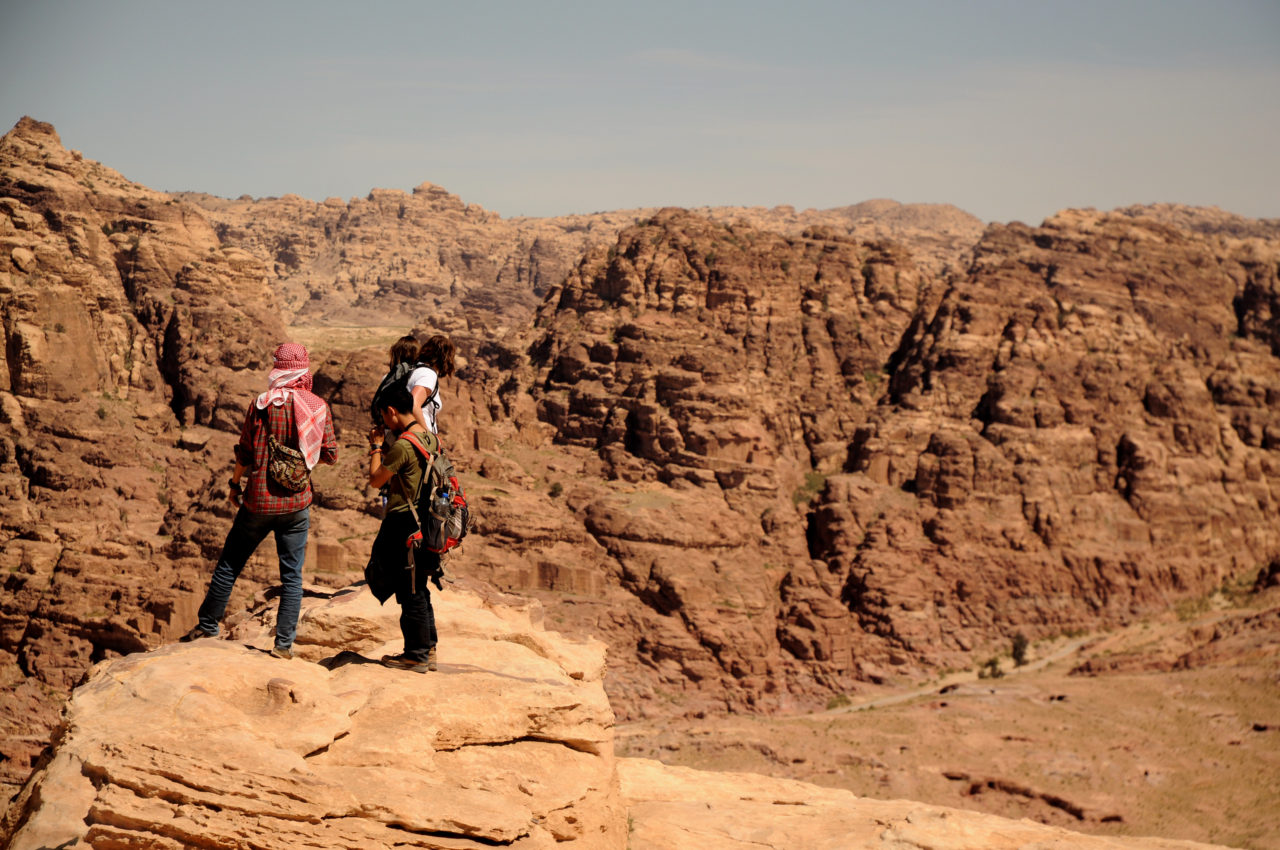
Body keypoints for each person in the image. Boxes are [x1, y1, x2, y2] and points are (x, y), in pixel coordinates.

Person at [181, 343, 338, 658]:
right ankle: (283, 646)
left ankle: (208, 625)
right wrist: (298, 460)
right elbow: (330, 455)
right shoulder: (318, 406)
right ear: (304, 371)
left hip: (258, 502)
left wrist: (234, 484)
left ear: (279, 368)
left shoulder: (261, 405)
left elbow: (246, 451)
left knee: (229, 564)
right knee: (291, 575)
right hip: (296, 504)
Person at [366, 383, 441, 672]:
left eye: (384, 416)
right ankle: (428, 649)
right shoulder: (430, 438)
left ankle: (416, 655)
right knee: (419, 586)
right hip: (426, 522)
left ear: (392, 411)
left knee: (408, 589)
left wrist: (375, 446)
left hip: (404, 523)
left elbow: (376, 480)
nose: (384, 422)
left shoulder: (403, 444)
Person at [406, 334, 456, 437]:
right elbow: (414, 404)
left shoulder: (413, 369)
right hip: (417, 439)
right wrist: (427, 435)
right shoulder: (428, 374)